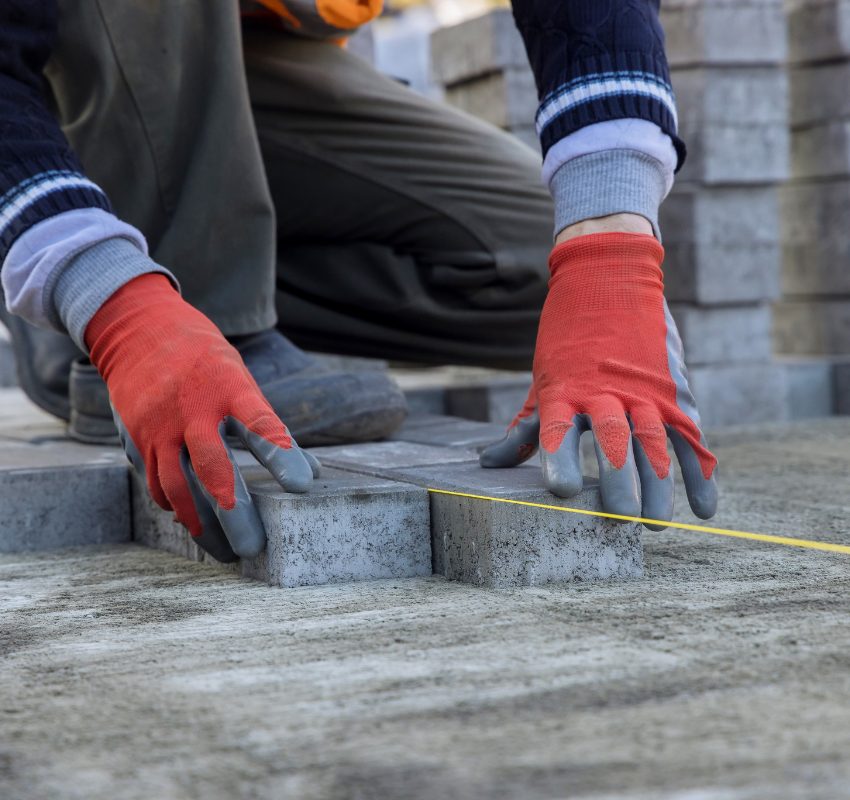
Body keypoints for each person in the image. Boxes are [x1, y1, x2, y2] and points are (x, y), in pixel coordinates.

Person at [0, 0, 717, 561]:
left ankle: (188, 306)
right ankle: (124, 314)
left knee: (531, 265)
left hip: (260, 68)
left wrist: (608, 246)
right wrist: (106, 296)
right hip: (86, 72)